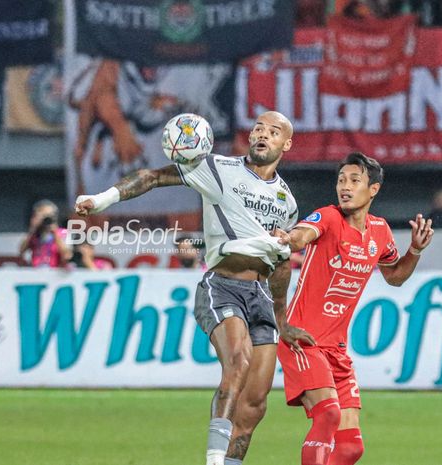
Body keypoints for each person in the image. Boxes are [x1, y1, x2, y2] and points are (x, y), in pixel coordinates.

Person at [75, 111, 310, 465]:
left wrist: (282, 317)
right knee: (238, 361)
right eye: (258, 128)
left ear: (286, 144)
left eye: (273, 132)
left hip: (260, 294)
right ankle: (213, 460)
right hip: (223, 286)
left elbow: (279, 266)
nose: (263, 134)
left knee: (255, 404)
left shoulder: (286, 202)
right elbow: (153, 177)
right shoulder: (218, 168)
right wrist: (104, 199)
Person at [275, 152, 434, 465]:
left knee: (350, 448)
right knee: (328, 414)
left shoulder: (379, 231)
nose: (344, 187)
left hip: (337, 350)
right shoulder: (329, 217)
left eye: (354, 180)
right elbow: (301, 235)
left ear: (372, 189)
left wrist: (414, 250)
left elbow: (396, 277)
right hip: (302, 340)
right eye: (340, 180)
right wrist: (288, 237)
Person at [19, 200, 72, 268]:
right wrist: (32, 229)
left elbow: (67, 254)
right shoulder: (34, 235)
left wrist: (54, 233)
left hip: (55, 273)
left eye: (49, 216)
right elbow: (21, 251)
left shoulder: (63, 233)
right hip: (36, 272)